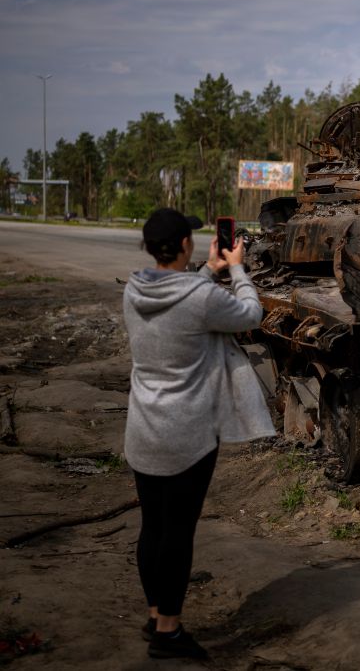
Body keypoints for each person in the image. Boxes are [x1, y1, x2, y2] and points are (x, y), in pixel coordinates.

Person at [123, 208, 275, 660]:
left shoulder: (134, 290)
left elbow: (185, 295)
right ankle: (169, 633)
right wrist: (236, 268)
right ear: (186, 245)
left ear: (150, 249)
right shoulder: (200, 298)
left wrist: (208, 271)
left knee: (152, 526)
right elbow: (250, 313)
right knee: (178, 532)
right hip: (188, 436)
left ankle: (155, 615)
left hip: (143, 430)